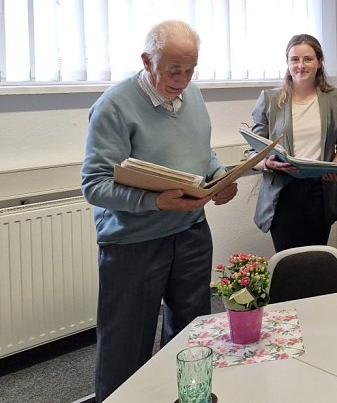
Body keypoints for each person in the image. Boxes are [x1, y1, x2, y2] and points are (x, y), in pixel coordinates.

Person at [81, 20, 239, 402]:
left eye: (190, 70)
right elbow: (94, 185)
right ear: (147, 61)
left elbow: (202, 151)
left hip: (190, 231)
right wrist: (154, 201)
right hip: (134, 241)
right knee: (126, 344)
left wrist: (219, 175)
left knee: (191, 334)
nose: (182, 80)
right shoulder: (113, 107)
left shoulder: (192, 95)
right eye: (173, 70)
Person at [250, 34, 337, 251]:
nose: (301, 65)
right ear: (287, 63)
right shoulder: (269, 100)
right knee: (288, 261)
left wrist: (336, 166)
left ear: (319, 62)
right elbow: (253, 153)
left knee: (316, 257)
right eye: (294, 59)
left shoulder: (335, 98)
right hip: (283, 192)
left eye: (308, 59)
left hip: (321, 190)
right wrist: (268, 163)